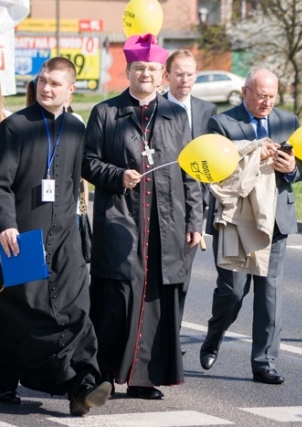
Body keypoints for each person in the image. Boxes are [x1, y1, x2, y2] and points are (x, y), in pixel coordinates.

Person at [0, 57, 111, 417]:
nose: (46, 88)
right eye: (42, 81)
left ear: (70, 90)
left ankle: (81, 385)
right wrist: (5, 223)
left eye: (54, 83)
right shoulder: (14, 127)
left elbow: (74, 182)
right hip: (21, 238)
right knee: (24, 315)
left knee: (77, 311)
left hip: (65, 237)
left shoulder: (75, 128)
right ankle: (7, 381)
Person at [82, 34, 203, 400]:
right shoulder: (105, 112)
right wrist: (117, 176)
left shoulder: (176, 114)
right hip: (122, 221)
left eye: (152, 69)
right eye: (139, 68)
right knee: (116, 300)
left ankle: (143, 378)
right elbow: (88, 163)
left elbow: (190, 170)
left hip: (166, 222)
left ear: (162, 74)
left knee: (155, 301)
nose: (145, 74)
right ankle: (103, 374)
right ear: (128, 71)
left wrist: (194, 220)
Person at [199, 68, 302, 384]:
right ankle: (214, 336)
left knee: (269, 293)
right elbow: (214, 168)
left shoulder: (289, 122)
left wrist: (292, 169)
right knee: (233, 292)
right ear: (245, 91)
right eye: (261, 95)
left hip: (275, 217)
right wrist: (250, 152)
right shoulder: (221, 123)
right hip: (234, 219)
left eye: (272, 96)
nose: (267, 102)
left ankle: (264, 363)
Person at [163, 49, 217, 334]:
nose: (185, 80)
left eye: (190, 74)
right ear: (167, 75)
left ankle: (172, 336)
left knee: (182, 276)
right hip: (162, 203)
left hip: (194, 205)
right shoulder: (154, 108)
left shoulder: (206, 111)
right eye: (179, 74)